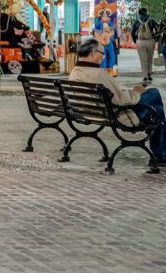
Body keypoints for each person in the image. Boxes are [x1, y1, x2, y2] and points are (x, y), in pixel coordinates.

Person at [70, 37, 163, 174]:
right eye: (102, 54)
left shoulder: (75, 72)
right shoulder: (98, 74)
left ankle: (161, 151)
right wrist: (135, 92)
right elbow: (119, 100)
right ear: (93, 53)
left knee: (157, 110)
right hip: (117, 116)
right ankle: (160, 154)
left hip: (92, 112)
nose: (103, 57)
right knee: (154, 96)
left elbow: (113, 95)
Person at [131, 7, 159, 83]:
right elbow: (158, 29)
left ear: (139, 13)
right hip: (150, 41)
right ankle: (149, 73)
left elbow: (132, 32)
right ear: (146, 12)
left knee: (143, 59)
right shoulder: (152, 20)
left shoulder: (137, 21)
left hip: (140, 42)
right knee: (150, 57)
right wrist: (156, 39)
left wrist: (135, 40)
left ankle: (145, 76)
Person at [93, 12, 119, 76]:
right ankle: (103, 71)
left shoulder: (110, 22)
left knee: (112, 56)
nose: (105, 17)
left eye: (106, 16)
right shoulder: (98, 23)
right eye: (103, 16)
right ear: (101, 17)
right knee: (103, 57)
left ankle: (110, 69)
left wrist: (109, 30)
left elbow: (115, 27)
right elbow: (95, 31)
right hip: (102, 42)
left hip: (109, 42)